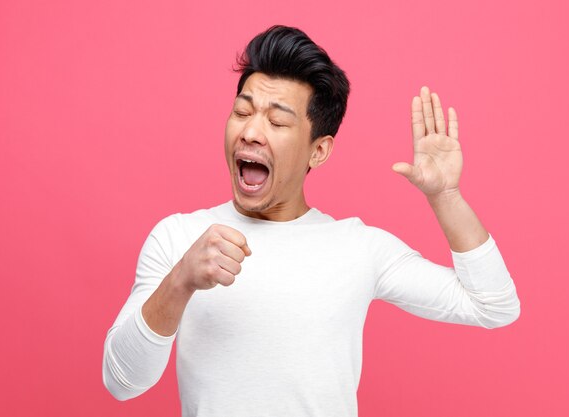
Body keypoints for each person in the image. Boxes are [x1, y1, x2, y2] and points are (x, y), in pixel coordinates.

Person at [102, 25, 520, 417]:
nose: (250, 132)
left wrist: (445, 196)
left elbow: (493, 306)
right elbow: (122, 381)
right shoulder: (179, 239)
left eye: (278, 121)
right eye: (242, 112)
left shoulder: (358, 247)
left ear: (318, 151)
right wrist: (180, 281)